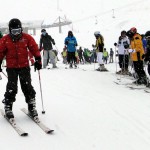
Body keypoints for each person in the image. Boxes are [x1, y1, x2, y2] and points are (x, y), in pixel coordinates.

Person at [0, 18, 42, 120]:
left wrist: (38, 60)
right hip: (11, 68)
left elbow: (34, 48)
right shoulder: (5, 40)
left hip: (24, 67)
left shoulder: (26, 38)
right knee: (12, 87)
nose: (16, 34)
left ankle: (31, 106)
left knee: (27, 87)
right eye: (14, 31)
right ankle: (8, 107)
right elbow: (0, 52)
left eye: (18, 31)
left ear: (21, 29)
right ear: (10, 30)